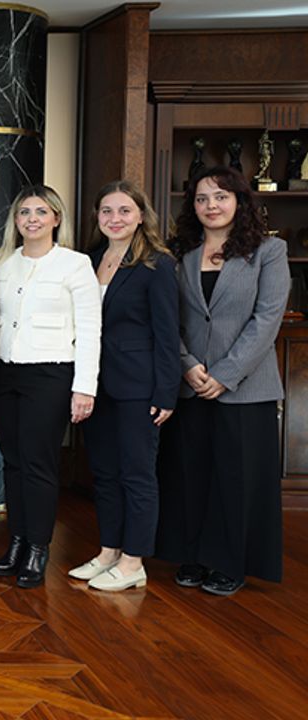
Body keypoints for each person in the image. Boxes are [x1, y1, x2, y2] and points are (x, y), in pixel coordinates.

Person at [157, 166, 290, 596]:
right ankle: (193, 556)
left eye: (220, 197)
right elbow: (167, 318)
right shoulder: (179, 253)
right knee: (190, 475)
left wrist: (226, 375)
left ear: (239, 201)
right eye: (201, 198)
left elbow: (267, 319)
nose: (211, 206)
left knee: (237, 479)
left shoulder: (269, 251)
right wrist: (187, 364)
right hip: (190, 383)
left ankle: (229, 563)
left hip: (246, 388)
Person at [0, 185, 100, 589]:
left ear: (55, 218)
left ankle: (38, 546)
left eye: (40, 211)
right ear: (15, 221)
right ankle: (17, 541)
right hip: (3, 373)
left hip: (51, 374)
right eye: (24, 212)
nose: (31, 219)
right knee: (13, 461)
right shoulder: (0, 262)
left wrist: (84, 388)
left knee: (38, 462)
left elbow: (90, 329)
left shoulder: (75, 264)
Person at [67, 181, 178, 592]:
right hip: (95, 384)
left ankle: (134, 563)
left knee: (137, 474)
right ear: (97, 217)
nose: (115, 219)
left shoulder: (157, 264)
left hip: (138, 387)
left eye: (124, 210)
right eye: (107, 211)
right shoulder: (88, 260)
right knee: (105, 474)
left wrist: (166, 393)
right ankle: (109, 551)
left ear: (141, 216)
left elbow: (168, 333)